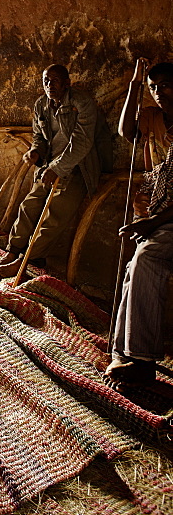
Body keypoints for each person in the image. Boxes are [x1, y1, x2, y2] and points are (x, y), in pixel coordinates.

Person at [0, 65, 107, 278]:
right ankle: (12, 251)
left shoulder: (82, 104)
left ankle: (26, 260)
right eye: (46, 81)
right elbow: (39, 137)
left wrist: (57, 168)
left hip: (78, 168)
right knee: (30, 204)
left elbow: (82, 142)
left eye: (54, 81)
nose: (49, 85)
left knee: (54, 214)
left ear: (67, 83)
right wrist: (35, 151)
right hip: (50, 166)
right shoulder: (41, 105)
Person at [105, 59, 173, 387]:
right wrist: (134, 85)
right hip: (153, 214)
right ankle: (124, 352)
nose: (159, 92)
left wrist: (153, 223)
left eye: (165, 84)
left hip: (168, 218)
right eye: (153, 87)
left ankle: (143, 361)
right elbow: (125, 131)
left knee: (147, 258)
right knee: (134, 267)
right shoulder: (151, 119)